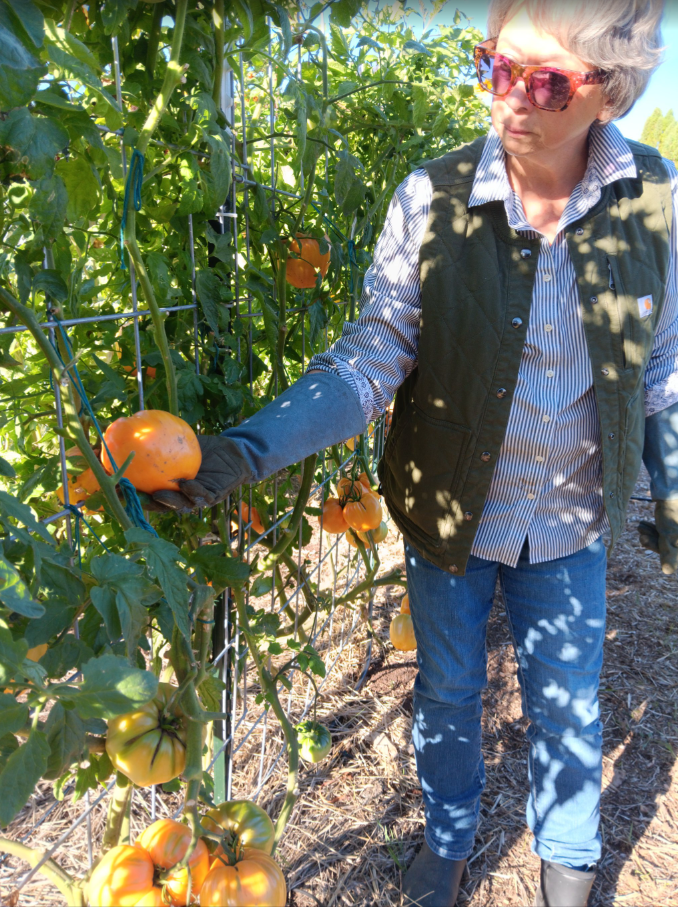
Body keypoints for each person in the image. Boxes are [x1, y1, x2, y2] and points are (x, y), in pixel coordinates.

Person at [153, 1, 678, 903]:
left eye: (545, 80)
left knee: (567, 703)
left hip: (569, 516)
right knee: (446, 688)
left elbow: (664, 364)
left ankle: (569, 857)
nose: (509, 98)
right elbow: (368, 357)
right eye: (495, 66)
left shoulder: (657, 203)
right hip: (447, 514)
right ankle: (449, 834)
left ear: (610, 93)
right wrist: (247, 449)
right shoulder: (430, 199)